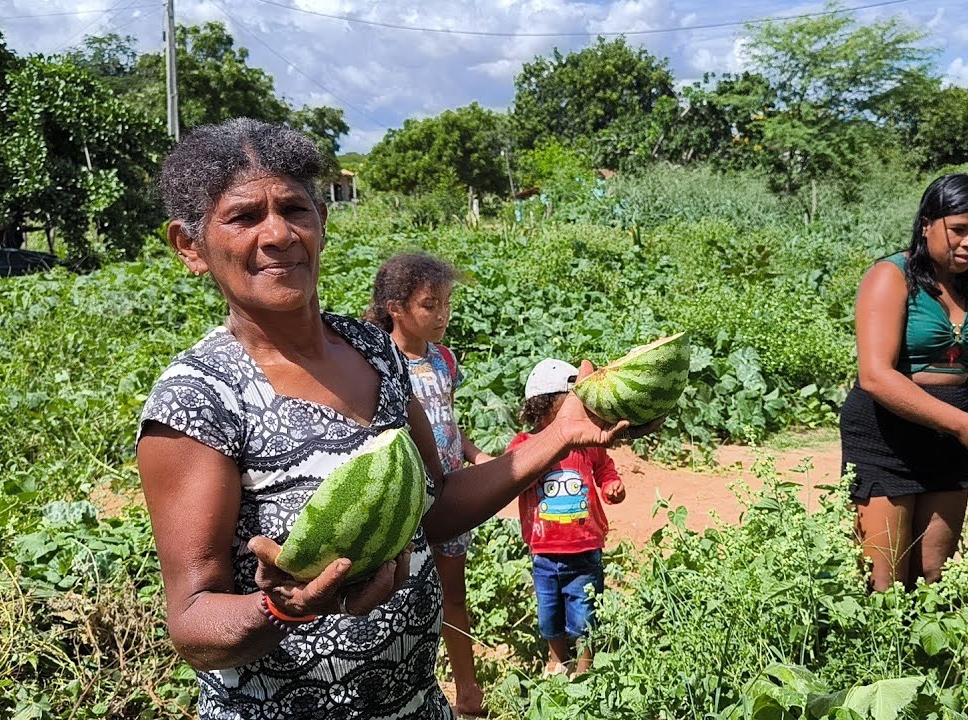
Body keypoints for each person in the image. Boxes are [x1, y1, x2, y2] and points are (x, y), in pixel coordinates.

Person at [135, 118, 649, 719]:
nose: (278, 234)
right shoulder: (197, 397)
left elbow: (437, 508)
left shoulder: (374, 351)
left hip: (413, 704)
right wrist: (281, 609)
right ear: (190, 246)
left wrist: (562, 432)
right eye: (244, 217)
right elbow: (194, 624)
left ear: (322, 223)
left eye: (295, 209)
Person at [841, 172, 968, 593]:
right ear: (927, 224)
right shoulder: (890, 276)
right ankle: (877, 657)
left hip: (948, 443)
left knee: (934, 574)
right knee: (884, 584)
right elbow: (876, 376)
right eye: (959, 230)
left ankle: (925, 658)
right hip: (887, 437)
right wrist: (961, 424)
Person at [363, 252, 493, 717]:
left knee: (453, 597)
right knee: (404, 598)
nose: (441, 315)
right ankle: (405, 689)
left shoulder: (444, 359)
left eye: (445, 304)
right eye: (428, 304)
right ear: (396, 309)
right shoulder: (379, 362)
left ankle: (468, 692)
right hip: (409, 500)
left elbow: (450, 423)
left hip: (452, 493)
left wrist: (477, 456)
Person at [507, 359, 627, 678]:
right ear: (547, 403)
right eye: (573, 399)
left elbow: (604, 467)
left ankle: (584, 670)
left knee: (584, 614)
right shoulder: (524, 445)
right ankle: (557, 661)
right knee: (549, 615)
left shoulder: (586, 440)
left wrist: (611, 484)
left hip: (585, 549)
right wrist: (543, 453)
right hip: (544, 553)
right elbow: (516, 477)